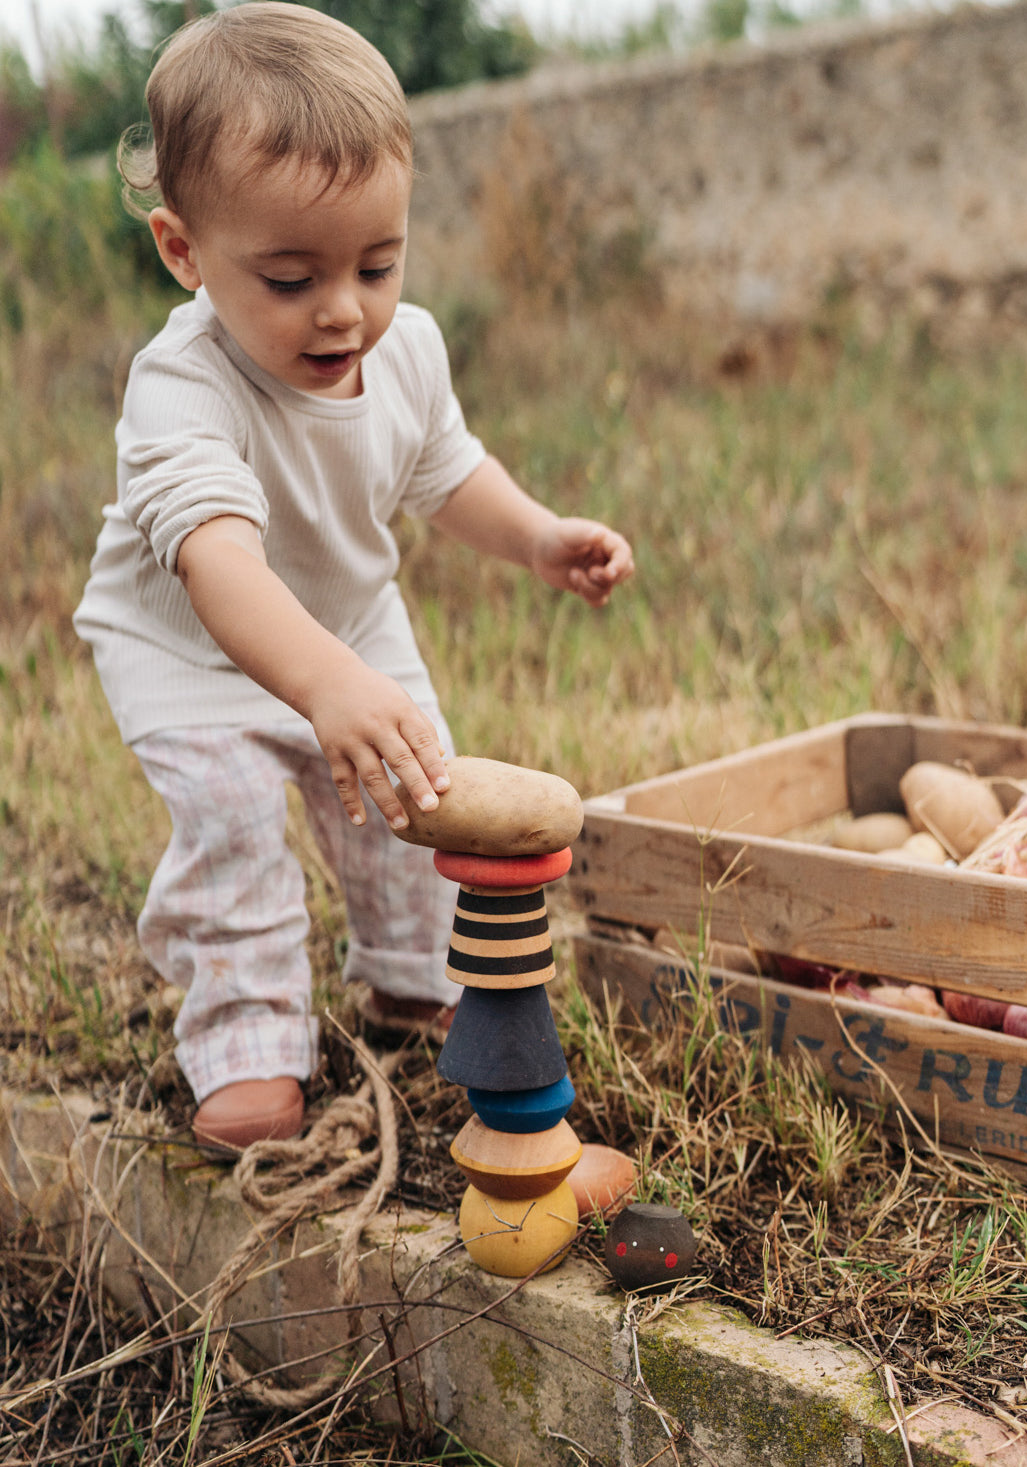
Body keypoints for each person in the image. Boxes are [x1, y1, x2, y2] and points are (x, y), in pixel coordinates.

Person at [72, 2, 634, 1151]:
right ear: (183, 251)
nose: (344, 309)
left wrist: (532, 536)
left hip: (349, 623)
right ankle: (246, 1038)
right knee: (231, 826)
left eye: (377, 264)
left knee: (410, 798)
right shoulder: (181, 388)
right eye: (289, 279)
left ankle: (411, 973)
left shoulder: (404, 347)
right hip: (187, 649)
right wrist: (323, 688)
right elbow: (218, 562)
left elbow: (443, 468)